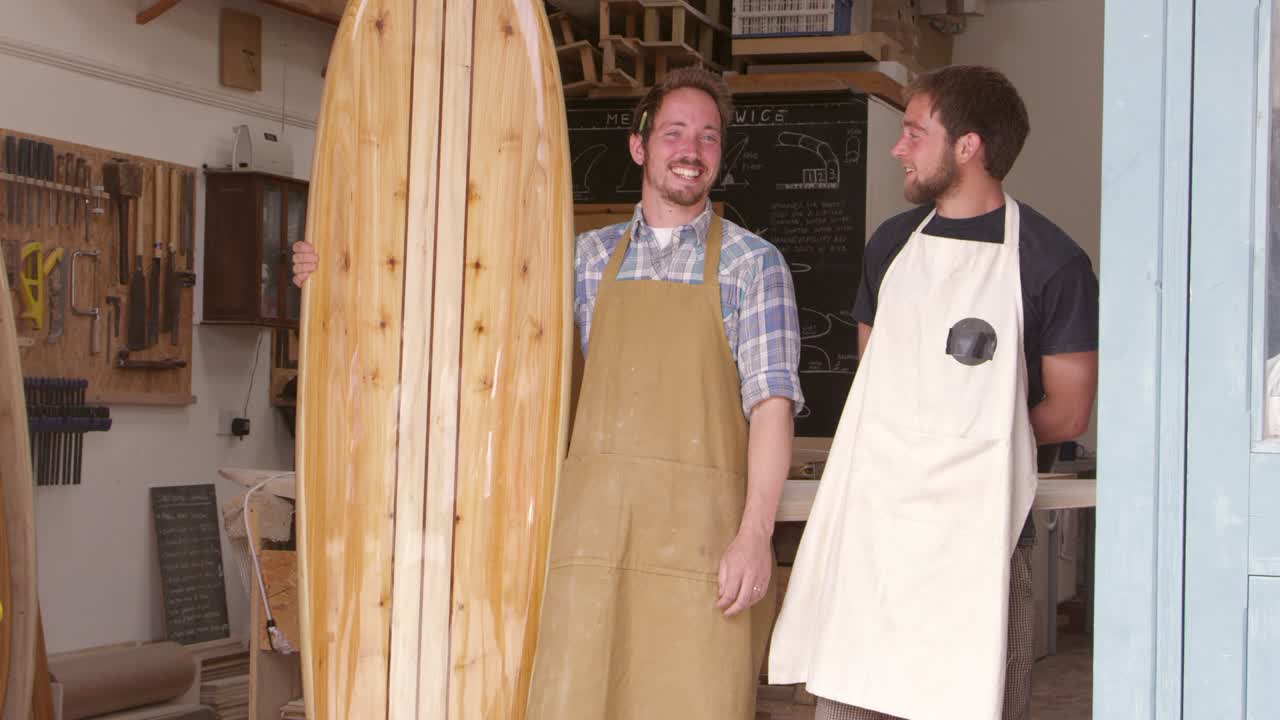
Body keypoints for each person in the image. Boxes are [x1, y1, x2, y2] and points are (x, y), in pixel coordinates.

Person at [291, 66, 804, 719]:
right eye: (674, 132)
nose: (691, 150)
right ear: (639, 145)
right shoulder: (583, 260)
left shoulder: (753, 264)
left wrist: (754, 536)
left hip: (703, 554)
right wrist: (341, 274)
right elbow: (467, 324)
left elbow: (771, 406)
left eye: (707, 137)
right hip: (591, 545)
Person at [767, 65, 1099, 720]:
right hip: (877, 534)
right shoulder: (891, 246)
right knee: (854, 700)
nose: (899, 148)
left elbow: (1068, 410)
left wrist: (962, 442)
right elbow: (879, 376)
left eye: (914, 133)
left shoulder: (1051, 261)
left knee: (972, 698)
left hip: (985, 540)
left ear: (968, 146)